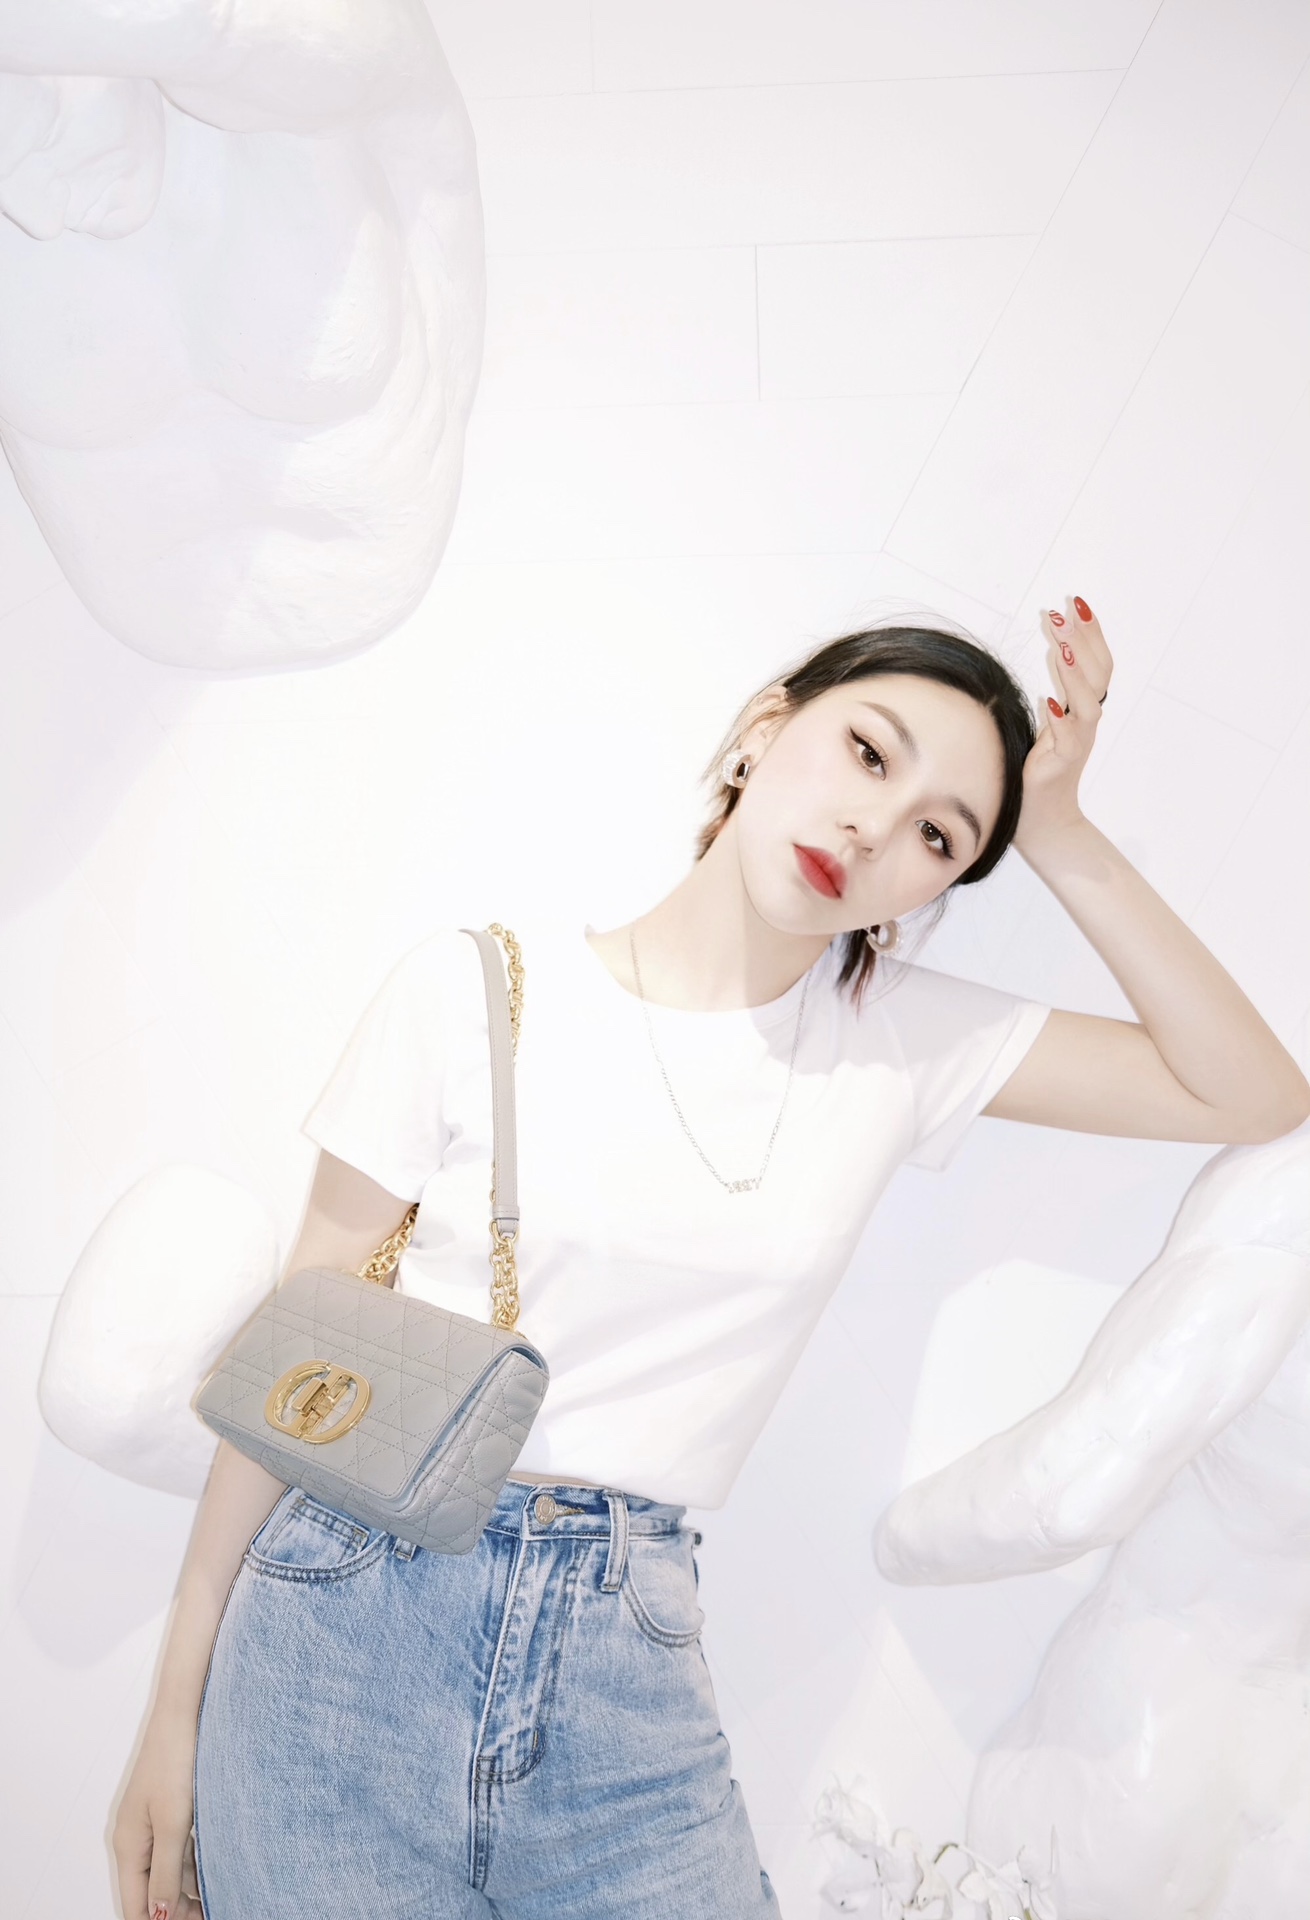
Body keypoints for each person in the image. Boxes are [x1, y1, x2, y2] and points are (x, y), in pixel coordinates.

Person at [112, 601, 1310, 1920]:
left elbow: (1251, 1093)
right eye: (869, 752)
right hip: (344, 1626)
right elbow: (299, 1361)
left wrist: (1060, 830)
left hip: (626, 1654)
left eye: (942, 834)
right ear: (764, 729)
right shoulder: (472, 991)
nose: (876, 827)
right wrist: (173, 1714)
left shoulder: (901, 1049)